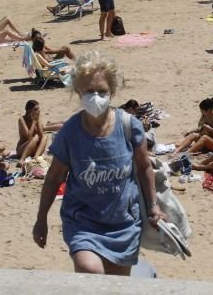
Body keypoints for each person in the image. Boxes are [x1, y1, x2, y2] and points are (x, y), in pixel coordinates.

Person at [33, 52, 166, 275]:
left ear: (112, 91)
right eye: (89, 91)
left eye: (102, 91)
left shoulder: (129, 126)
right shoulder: (70, 132)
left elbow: (144, 168)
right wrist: (41, 219)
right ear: (78, 91)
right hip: (83, 223)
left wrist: (153, 206)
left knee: (116, 285)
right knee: (90, 271)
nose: (96, 97)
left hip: (124, 224)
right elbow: (54, 177)